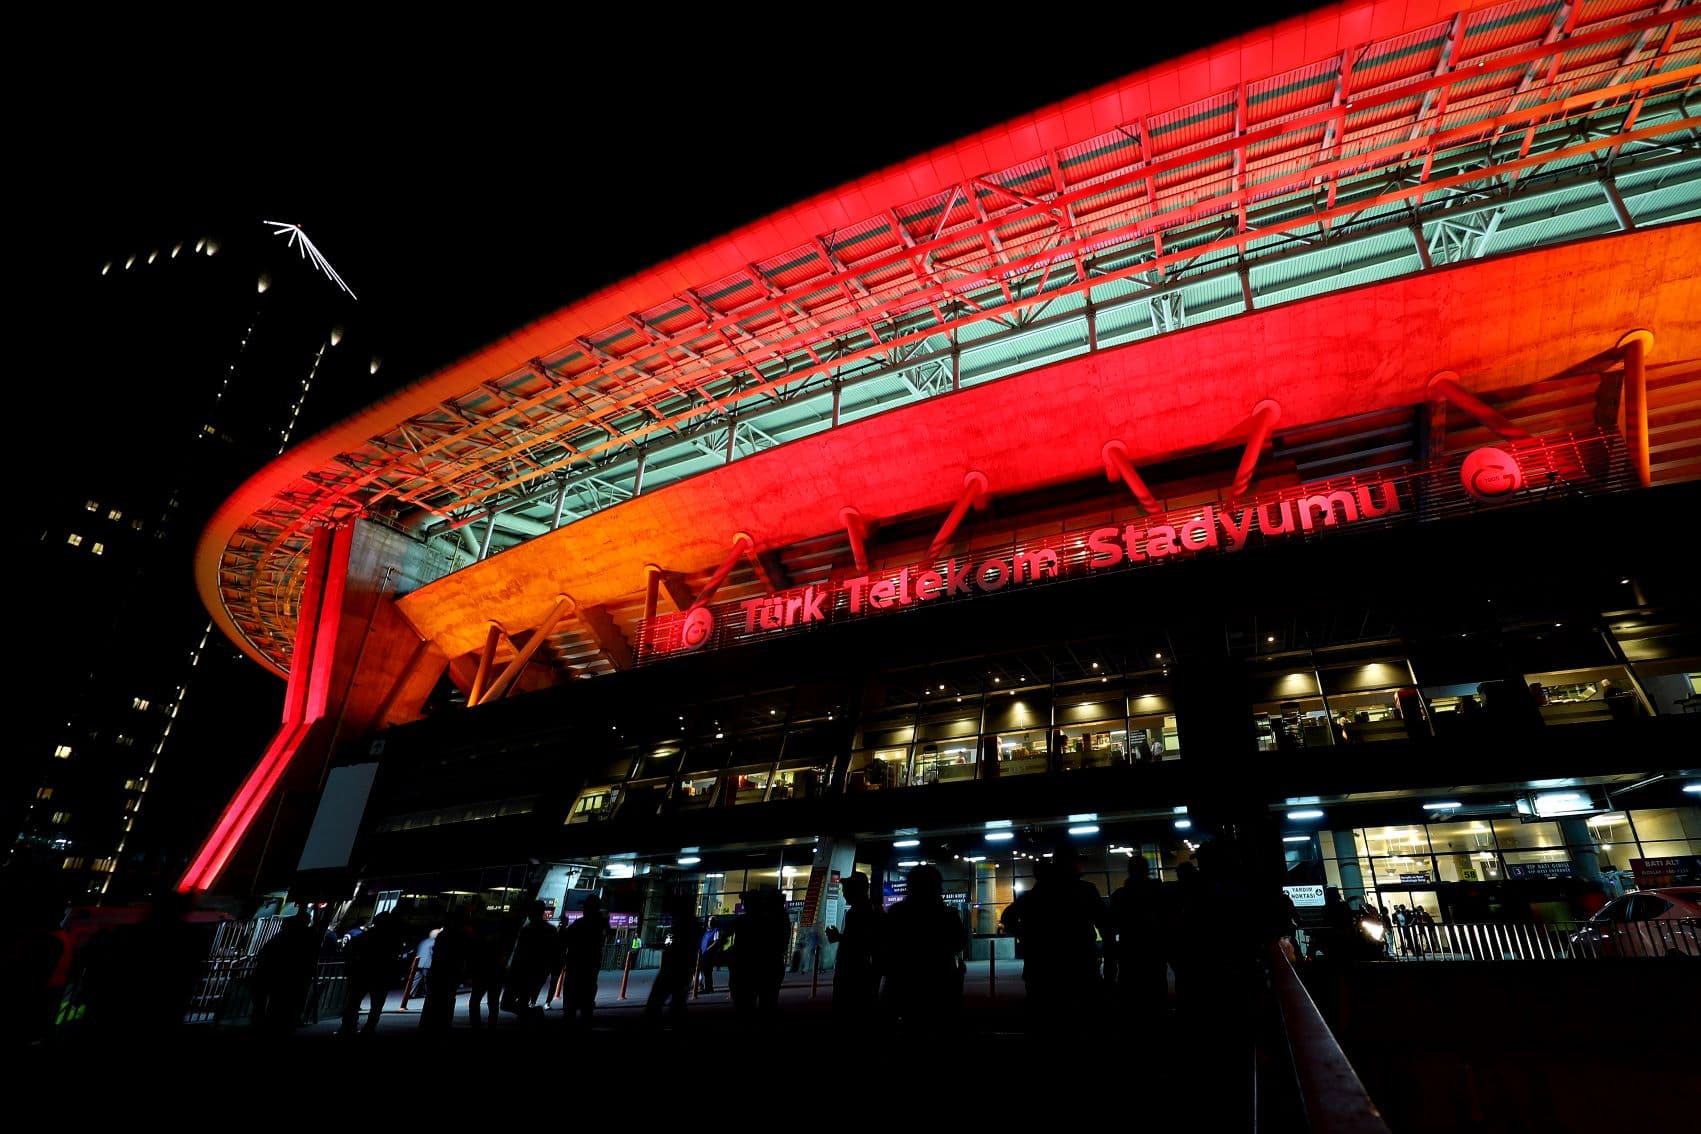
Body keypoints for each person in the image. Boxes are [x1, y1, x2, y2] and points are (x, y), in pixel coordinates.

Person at [1000, 847, 1111, 1032]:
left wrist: (1024, 936)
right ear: (1073, 864)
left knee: (1046, 1019)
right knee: (1086, 1017)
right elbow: (1103, 922)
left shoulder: (1035, 894)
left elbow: (1008, 917)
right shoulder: (1085, 890)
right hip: (1080, 962)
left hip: (1042, 966)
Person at [880, 864, 968, 1035]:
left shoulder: (897, 913)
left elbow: (887, 946)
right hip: (941, 982)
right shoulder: (947, 915)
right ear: (936, 886)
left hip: (904, 982)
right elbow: (958, 943)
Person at [1106, 856, 1169, 1026]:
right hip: (1154, 954)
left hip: (1130, 954)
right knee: (1156, 998)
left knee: (1132, 1002)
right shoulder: (1159, 893)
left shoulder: (1121, 896)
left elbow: (1112, 924)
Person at [728, 885, 790, 1030]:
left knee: (748, 1006)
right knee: (765, 1005)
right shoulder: (776, 919)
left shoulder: (747, 921)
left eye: (746, 901)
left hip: (751, 969)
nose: (744, 905)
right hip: (767, 968)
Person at [825, 871, 883, 1028]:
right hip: (863, 970)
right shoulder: (873, 910)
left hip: (854, 971)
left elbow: (861, 942)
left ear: (857, 890)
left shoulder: (858, 912)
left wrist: (838, 937)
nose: (844, 895)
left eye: (847, 891)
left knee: (850, 1014)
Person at [252, 910, 318, 1036]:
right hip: (287, 977)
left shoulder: (280, 938)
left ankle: (268, 1023)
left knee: (275, 1003)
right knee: (283, 1003)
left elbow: (264, 955)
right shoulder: (302, 939)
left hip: (275, 975)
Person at [338, 911, 404, 1036]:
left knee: (354, 1001)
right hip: (381, 974)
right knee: (377, 1004)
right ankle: (369, 1027)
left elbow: (351, 953)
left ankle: (348, 1025)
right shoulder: (392, 940)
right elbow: (395, 956)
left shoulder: (364, 937)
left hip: (362, 973)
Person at [644, 896, 700, 1025]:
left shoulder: (686, 924)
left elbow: (682, 946)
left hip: (675, 968)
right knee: (676, 1004)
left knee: (658, 1002)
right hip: (682, 969)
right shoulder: (691, 924)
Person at [501, 900, 558, 1022]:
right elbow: (552, 954)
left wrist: (510, 970)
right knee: (523, 1001)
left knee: (506, 1003)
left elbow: (519, 953)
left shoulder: (527, 929)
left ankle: (533, 1014)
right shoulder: (551, 930)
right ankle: (530, 1016)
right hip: (536, 974)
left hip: (521, 972)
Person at [560, 895, 609, 1030]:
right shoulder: (601, 924)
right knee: (586, 1007)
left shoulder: (580, 924)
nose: (583, 909)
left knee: (570, 1008)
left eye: (586, 906)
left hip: (576, 969)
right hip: (591, 970)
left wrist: (563, 926)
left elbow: (564, 940)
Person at [408, 927, 438, 1002]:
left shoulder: (424, 941)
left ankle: (410, 993)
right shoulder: (434, 942)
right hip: (427, 963)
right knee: (427, 979)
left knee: (415, 979)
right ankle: (429, 994)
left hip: (418, 963)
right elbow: (433, 953)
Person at [696, 915, 723, 993]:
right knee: (704, 971)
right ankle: (705, 987)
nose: (709, 922)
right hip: (702, 954)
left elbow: (716, 941)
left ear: (714, 922)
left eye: (711, 920)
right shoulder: (706, 931)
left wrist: (708, 949)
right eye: (709, 920)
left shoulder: (716, 930)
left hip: (709, 955)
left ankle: (709, 988)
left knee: (708, 972)